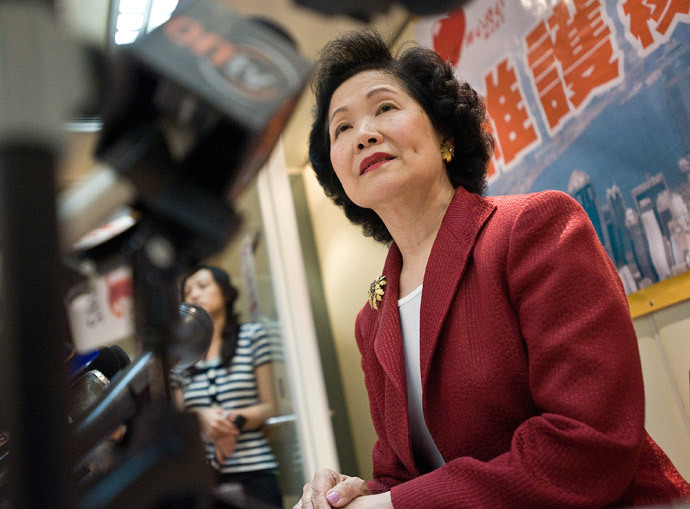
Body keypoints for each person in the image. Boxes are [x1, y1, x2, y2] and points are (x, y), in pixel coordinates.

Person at [295, 29, 690, 508]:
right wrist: (354, 493)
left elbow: (589, 443)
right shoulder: (371, 318)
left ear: (444, 133)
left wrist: (391, 505)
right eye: (342, 128)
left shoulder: (533, 227)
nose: (365, 134)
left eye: (384, 108)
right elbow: (405, 475)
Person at [171, 264, 282, 508]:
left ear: (226, 293)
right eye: (187, 292)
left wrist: (225, 425)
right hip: (206, 479)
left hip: (256, 473)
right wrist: (203, 417)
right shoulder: (179, 355)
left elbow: (270, 407)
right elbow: (177, 417)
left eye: (202, 286)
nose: (194, 295)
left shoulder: (252, 336)